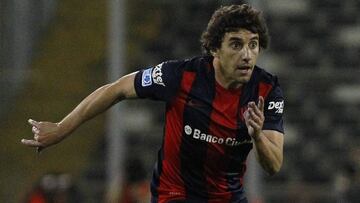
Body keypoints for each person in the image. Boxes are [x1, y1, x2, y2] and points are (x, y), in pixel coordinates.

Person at [22, 4, 284, 203]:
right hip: (174, 194)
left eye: (253, 45)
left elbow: (273, 165)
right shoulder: (180, 76)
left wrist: (258, 136)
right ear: (215, 48)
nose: (247, 55)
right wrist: (61, 128)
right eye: (236, 45)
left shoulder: (266, 90)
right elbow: (117, 89)